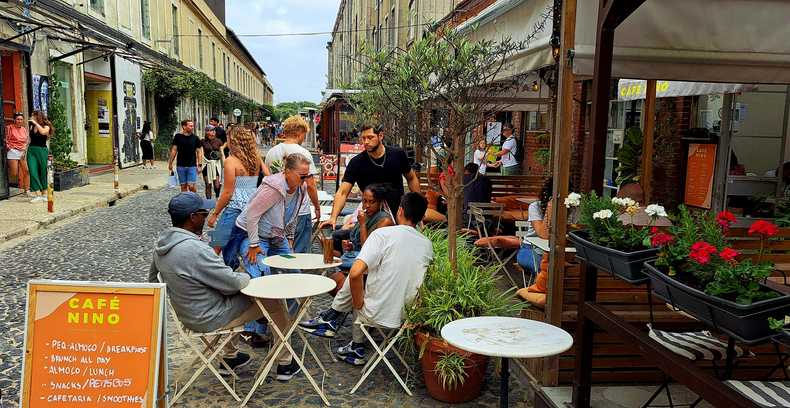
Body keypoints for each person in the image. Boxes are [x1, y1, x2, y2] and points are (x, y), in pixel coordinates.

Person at [149, 192, 300, 379]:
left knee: (235, 297)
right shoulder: (195, 249)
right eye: (204, 214)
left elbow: (153, 282)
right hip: (210, 317)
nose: (206, 218)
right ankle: (285, 363)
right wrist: (246, 275)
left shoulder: (162, 246)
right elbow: (232, 283)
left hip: (187, 315)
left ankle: (230, 357)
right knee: (273, 301)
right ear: (192, 217)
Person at [300, 193, 433, 365]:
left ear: (400, 211)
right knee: (363, 277)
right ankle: (343, 332)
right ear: (421, 217)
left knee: (358, 279)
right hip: (407, 317)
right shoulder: (427, 244)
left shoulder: (383, 234)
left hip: (377, 313)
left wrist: (358, 303)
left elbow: (355, 273)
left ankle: (335, 320)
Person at [320, 125, 420, 229]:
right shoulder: (356, 162)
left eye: (370, 137)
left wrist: (419, 205)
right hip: (371, 213)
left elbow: (411, 178)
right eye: (363, 138)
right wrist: (333, 217)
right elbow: (342, 192)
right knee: (344, 233)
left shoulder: (397, 154)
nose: (366, 142)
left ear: (380, 136)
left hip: (398, 210)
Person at [208, 126, 269, 268]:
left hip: (235, 208)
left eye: (228, 139)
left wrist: (215, 213)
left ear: (234, 141)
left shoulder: (231, 161)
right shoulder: (255, 158)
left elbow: (228, 192)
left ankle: (215, 272)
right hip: (251, 207)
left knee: (216, 244)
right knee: (235, 242)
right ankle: (232, 269)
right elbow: (268, 176)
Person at [264, 115, 321, 253]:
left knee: (277, 252)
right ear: (299, 132)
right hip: (299, 210)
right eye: (304, 134)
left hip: (275, 209)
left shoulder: (271, 152)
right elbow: (310, 185)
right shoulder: (303, 153)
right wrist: (317, 207)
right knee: (299, 252)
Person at [338, 183, 395, 269]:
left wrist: (363, 224)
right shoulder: (367, 215)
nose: (367, 205)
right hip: (358, 256)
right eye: (364, 201)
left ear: (380, 202)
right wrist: (351, 246)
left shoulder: (385, 221)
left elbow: (367, 250)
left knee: (338, 264)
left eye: (372, 202)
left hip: (373, 263)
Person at [516, 177, 552, 276]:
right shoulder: (535, 207)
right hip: (530, 248)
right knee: (547, 270)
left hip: (559, 251)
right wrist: (550, 209)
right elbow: (544, 234)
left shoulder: (574, 209)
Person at [168, 120, 202, 193]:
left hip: (192, 165)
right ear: (184, 126)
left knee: (191, 186)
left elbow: (199, 152)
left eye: (192, 126)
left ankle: (194, 197)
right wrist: (170, 163)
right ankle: (185, 200)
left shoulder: (195, 138)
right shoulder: (178, 137)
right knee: (183, 186)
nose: (192, 127)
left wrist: (199, 165)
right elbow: (174, 150)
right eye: (190, 126)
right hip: (180, 165)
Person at [27, 110, 52, 203]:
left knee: (43, 171)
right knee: (32, 171)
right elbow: (30, 139)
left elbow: (43, 132)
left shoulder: (46, 126)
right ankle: (38, 194)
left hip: (42, 150)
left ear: (38, 117)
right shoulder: (31, 126)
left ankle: (44, 194)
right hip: (31, 150)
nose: (31, 117)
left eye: (33, 116)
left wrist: (35, 123)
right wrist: (25, 150)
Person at [6, 112, 29, 195]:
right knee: (14, 173)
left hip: (22, 152)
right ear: (14, 120)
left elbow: (26, 141)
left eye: (21, 119)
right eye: (18, 119)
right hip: (13, 151)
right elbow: (6, 139)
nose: (20, 121)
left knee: (26, 171)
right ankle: (5, 187)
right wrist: (10, 148)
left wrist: (24, 151)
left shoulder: (24, 129)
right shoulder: (9, 128)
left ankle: (26, 190)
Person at [201, 125, 224, 199]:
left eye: (214, 130)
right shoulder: (202, 141)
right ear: (207, 132)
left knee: (217, 185)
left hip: (216, 164)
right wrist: (199, 164)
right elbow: (200, 153)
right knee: (208, 184)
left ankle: (217, 196)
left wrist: (224, 163)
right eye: (211, 130)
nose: (213, 132)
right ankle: (209, 201)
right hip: (207, 164)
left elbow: (222, 153)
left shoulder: (218, 141)